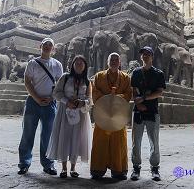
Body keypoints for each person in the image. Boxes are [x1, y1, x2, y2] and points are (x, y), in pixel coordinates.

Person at [17, 37, 63, 175]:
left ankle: (48, 164)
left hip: (50, 103)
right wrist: (37, 98)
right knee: (27, 134)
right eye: (45, 44)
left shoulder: (57, 65)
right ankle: (24, 163)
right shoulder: (32, 63)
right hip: (33, 102)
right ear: (40, 46)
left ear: (53, 49)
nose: (47, 47)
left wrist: (52, 97)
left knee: (48, 136)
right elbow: (27, 82)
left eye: (50, 45)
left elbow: (59, 84)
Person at [47, 55, 92, 178]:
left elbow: (90, 100)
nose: (79, 65)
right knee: (64, 137)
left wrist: (83, 103)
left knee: (76, 139)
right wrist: (67, 101)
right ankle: (63, 168)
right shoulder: (65, 77)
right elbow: (56, 93)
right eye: (76, 63)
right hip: (65, 111)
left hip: (80, 114)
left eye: (81, 63)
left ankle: (73, 168)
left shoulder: (87, 82)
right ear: (72, 65)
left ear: (85, 66)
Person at [90, 52, 132, 180]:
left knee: (119, 142)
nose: (114, 62)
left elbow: (129, 93)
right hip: (102, 114)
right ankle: (98, 169)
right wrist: (107, 99)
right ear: (107, 62)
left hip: (118, 115)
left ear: (119, 63)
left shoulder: (126, 78)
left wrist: (118, 97)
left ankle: (119, 169)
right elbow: (95, 92)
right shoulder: (99, 76)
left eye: (116, 60)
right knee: (100, 141)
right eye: (111, 60)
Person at [130, 46, 165, 181]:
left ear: (152, 56)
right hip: (138, 111)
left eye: (148, 54)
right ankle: (136, 167)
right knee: (135, 142)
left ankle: (155, 168)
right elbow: (134, 90)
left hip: (152, 111)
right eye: (143, 54)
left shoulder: (158, 74)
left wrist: (143, 99)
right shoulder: (136, 72)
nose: (145, 56)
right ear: (141, 57)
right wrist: (138, 104)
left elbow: (159, 92)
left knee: (154, 141)